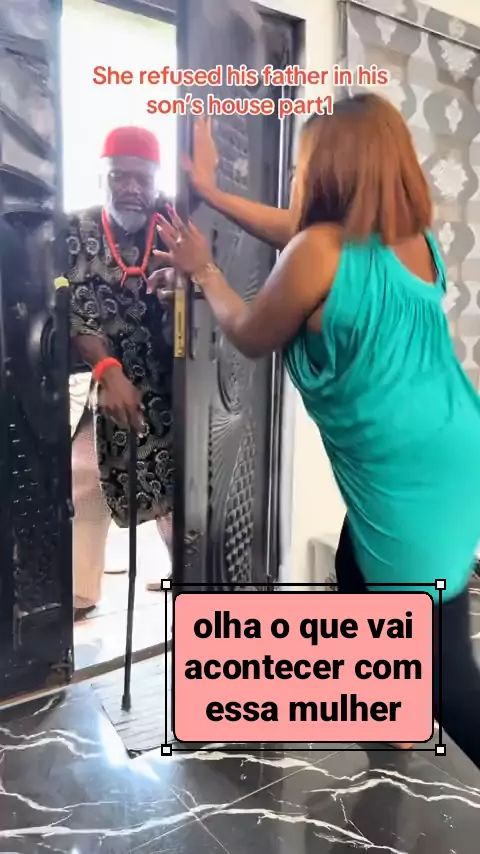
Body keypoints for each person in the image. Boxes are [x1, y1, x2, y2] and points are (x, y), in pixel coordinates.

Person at [153, 95, 480, 769]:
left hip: (413, 480)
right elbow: (301, 234)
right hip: (451, 441)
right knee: (354, 567)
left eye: (306, 163)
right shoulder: (410, 241)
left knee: (449, 677)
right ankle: (391, 711)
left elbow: (251, 334)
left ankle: (412, 702)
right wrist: (213, 192)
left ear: (332, 169)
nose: (300, 175)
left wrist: (204, 270)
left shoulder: (319, 252)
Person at [67, 126, 174, 616]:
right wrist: (107, 370)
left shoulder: (175, 223)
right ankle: (79, 592)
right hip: (101, 375)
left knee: (177, 485)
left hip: (169, 381)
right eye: (119, 176)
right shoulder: (77, 228)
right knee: (84, 474)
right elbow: (72, 304)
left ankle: (188, 582)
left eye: (141, 178)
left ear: (155, 179)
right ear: (102, 177)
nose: (131, 187)